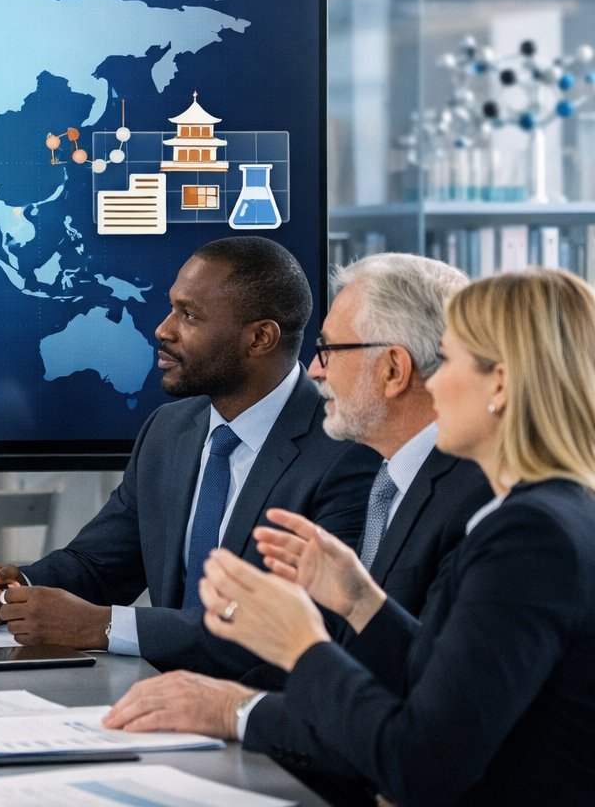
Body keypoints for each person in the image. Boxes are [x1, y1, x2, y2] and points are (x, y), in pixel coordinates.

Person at [146, 268, 595, 805]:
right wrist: (361, 601)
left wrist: (300, 644)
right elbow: (447, 686)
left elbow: (419, 760)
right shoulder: (542, 511)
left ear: (498, 384)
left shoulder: (530, 533)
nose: (433, 380)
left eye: (447, 360)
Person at [101, 253, 493, 799]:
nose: (312, 370)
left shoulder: (486, 506)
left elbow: (425, 732)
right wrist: (359, 604)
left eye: (329, 350)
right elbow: (408, 674)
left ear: (393, 369)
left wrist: (240, 703)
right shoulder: (397, 480)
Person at [0, 236, 379, 677]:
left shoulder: (345, 451)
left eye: (190, 315)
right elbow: (99, 565)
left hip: (266, 718)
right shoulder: (169, 430)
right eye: (172, 307)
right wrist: (12, 588)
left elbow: (289, 629)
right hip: (162, 703)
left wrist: (102, 626)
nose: (163, 329)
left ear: (259, 338)